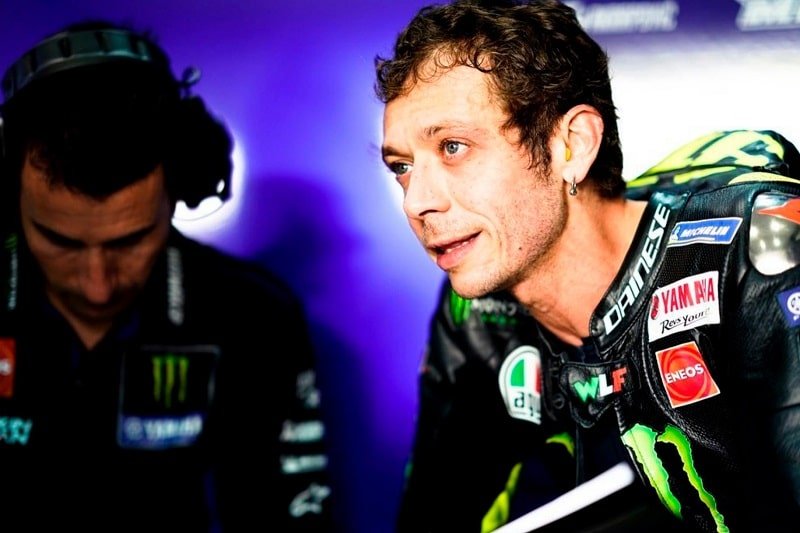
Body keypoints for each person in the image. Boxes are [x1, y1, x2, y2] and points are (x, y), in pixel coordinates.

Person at [375, 0, 800, 531]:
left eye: (453, 147)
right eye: (402, 166)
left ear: (571, 145)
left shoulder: (755, 249)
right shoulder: (473, 312)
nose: (416, 202)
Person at [0, 21, 333, 532]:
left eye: (130, 241)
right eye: (61, 242)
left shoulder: (255, 317)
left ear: (184, 188)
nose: (97, 285)